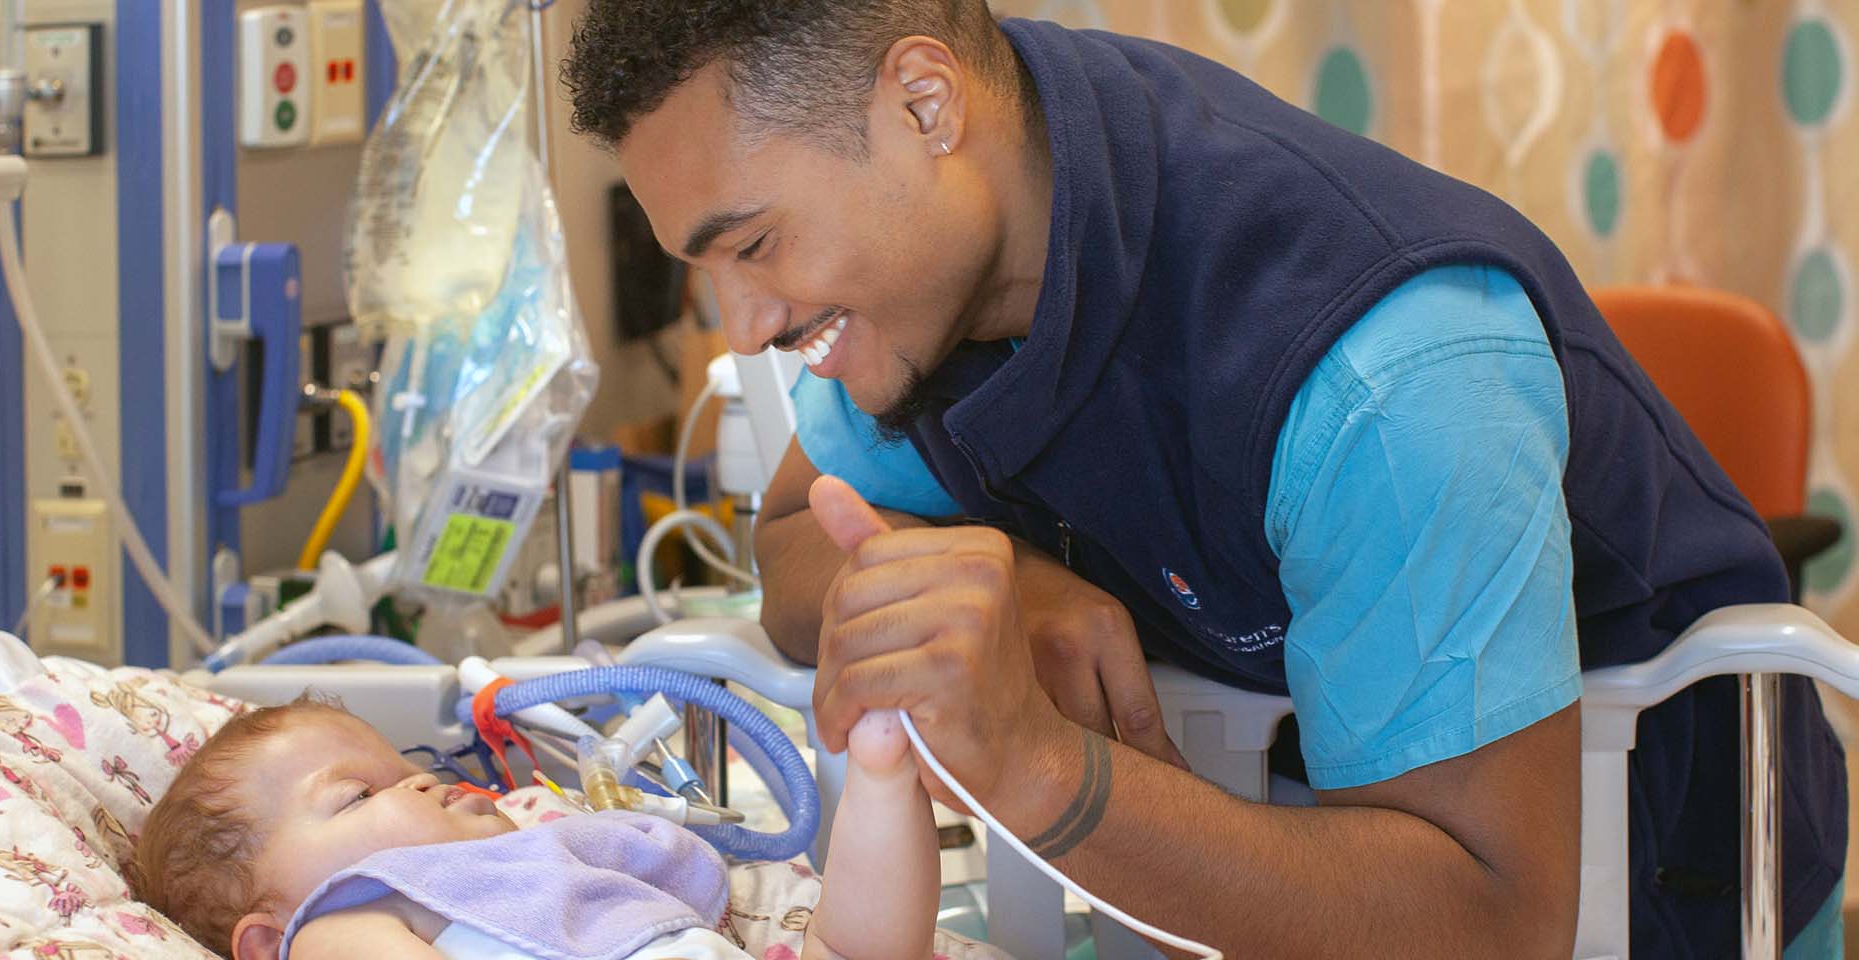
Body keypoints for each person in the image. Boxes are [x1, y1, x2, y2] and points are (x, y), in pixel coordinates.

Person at [563, 2, 1850, 957]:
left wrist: (1039, 772)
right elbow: (795, 535)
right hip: (1288, 825)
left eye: (756, 245)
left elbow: (1491, 917)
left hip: (1660, 874)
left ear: (925, 106)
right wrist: (1014, 581)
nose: (736, 325)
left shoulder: (1385, 375)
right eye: (701, 262)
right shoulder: (942, 254)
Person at [125, 695, 948, 960]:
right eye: (354, 796)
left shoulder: (543, 851)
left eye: (405, 763)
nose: (419, 778)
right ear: (265, 940)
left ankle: (883, 777)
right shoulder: (342, 917)